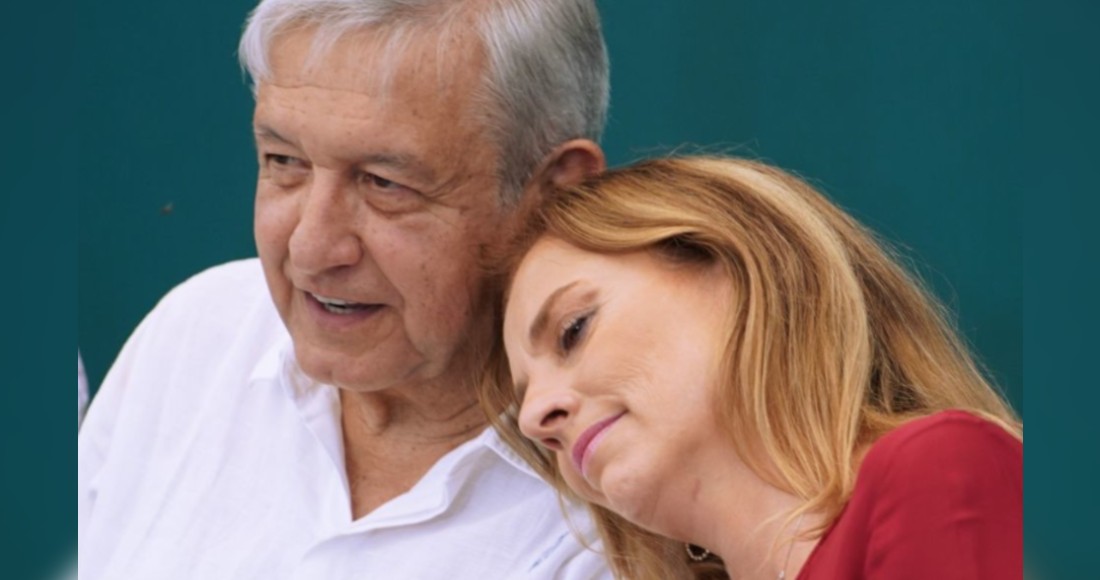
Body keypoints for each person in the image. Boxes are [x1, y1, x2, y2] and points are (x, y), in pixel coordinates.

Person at [77, 0, 612, 577]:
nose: (309, 248)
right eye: (285, 161)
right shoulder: (198, 332)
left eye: (385, 183)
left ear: (555, 195)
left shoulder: (630, 499)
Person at [481, 156, 1023, 580]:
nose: (533, 419)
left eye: (573, 330)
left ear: (733, 268)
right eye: (524, 396)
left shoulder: (938, 468)